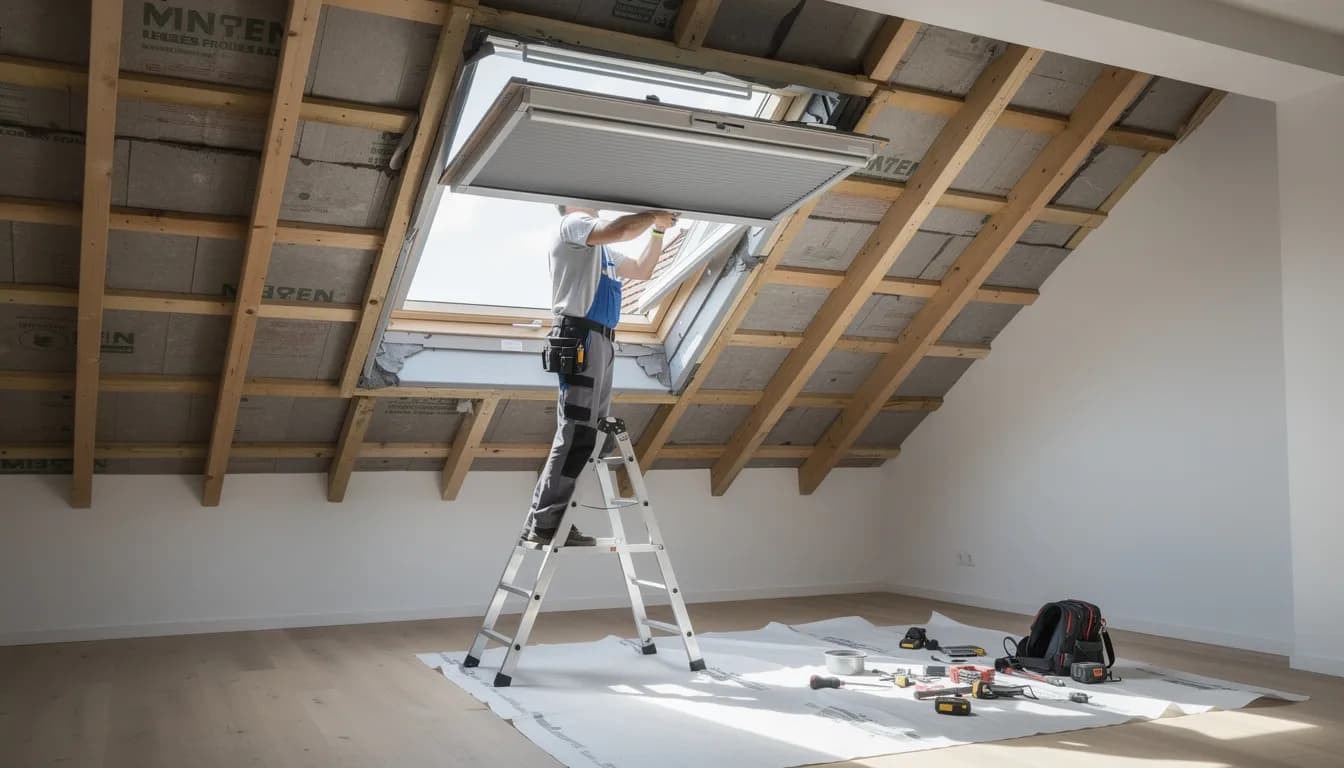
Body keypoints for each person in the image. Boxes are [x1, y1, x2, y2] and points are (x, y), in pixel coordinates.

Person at [524, 205, 679, 546]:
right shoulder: (575, 223)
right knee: (578, 431)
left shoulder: (602, 251)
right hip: (581, 334)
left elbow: (643, 270)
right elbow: (622, 228)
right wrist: (653, 216)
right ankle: (548, 523)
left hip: (602, 339)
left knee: (591, 432)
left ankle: (544, 515)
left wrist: (658, 231)